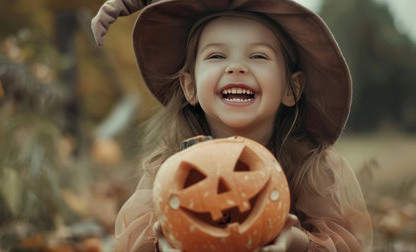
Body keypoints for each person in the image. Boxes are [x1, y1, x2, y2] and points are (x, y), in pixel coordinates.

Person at [91, 0, 373, 251]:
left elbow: (345, 243)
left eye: (258, 56)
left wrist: (299, 244)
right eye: (217, 56)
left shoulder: (311, 169)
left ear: (292, 87)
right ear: (190, 87)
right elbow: (140, 241)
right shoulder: (175, 169)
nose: (236, 67)